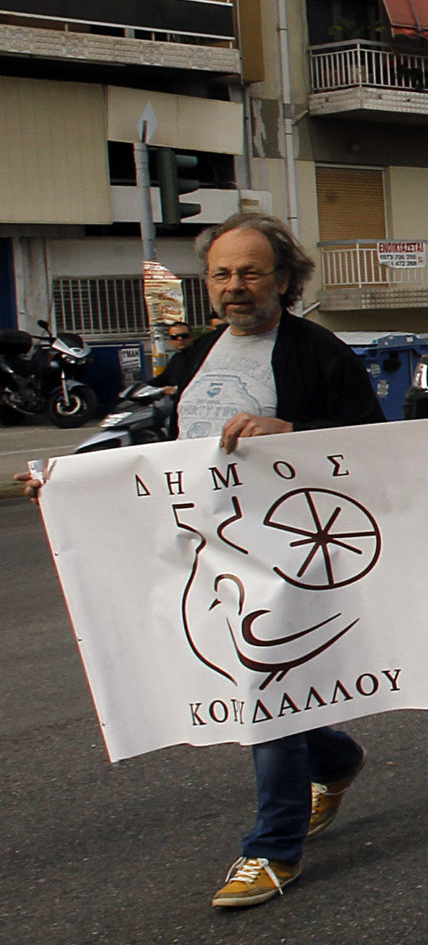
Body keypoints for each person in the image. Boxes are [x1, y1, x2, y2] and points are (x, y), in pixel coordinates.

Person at [39, 214, 385, 909]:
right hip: (210, 551)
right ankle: (335, 758)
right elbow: (145, 443)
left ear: (283, 280)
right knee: (257, 682)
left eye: (251, 272)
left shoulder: (319, 354)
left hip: (291, 555)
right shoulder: (194, 357)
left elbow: (378, 445)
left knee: (262, 688)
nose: (235, 286)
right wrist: (58, 478)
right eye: (223, 273)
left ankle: (272, 845)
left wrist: (293, 433)